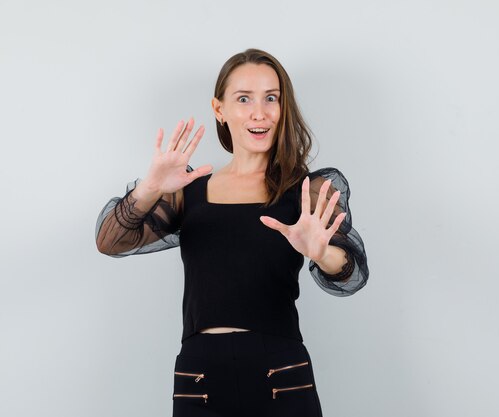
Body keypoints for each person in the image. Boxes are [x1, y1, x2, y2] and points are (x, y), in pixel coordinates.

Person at [95, 48, 369, 417]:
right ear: (219, 109)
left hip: (280, 372)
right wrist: (148, 189)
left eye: (271, 98)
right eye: (244, 99)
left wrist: (321, 253)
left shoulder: (305, 189)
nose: (260, 113)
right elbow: (110, 242)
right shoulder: (187, 189)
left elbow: (350, 270)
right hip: (200, 377)